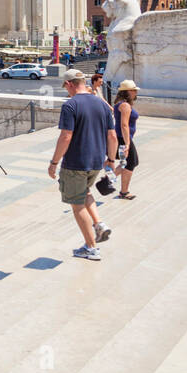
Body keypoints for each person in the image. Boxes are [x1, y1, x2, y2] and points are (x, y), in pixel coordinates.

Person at [48, 69, 117, 261]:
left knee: (77, 204)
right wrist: (110, 160)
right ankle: (99, 224)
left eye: (66, 87)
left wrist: (54, 162)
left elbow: (66, 136)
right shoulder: (102, 105)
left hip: (76, 162)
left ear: (70, 84)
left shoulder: (70, 105)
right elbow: (112, 136)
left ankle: (91, 247)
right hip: (96, 161)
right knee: (85, 191)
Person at [113, 79, 141, 200]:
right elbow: (124, 125)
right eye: (134, 90)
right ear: (128, 91)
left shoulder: (122, 103)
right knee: (131, 162)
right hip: (123, 138)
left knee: (128, 163)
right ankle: (110, 181)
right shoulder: (124, 105)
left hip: (122, 138)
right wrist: (128, 144)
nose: (136, 92)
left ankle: (119, 188)